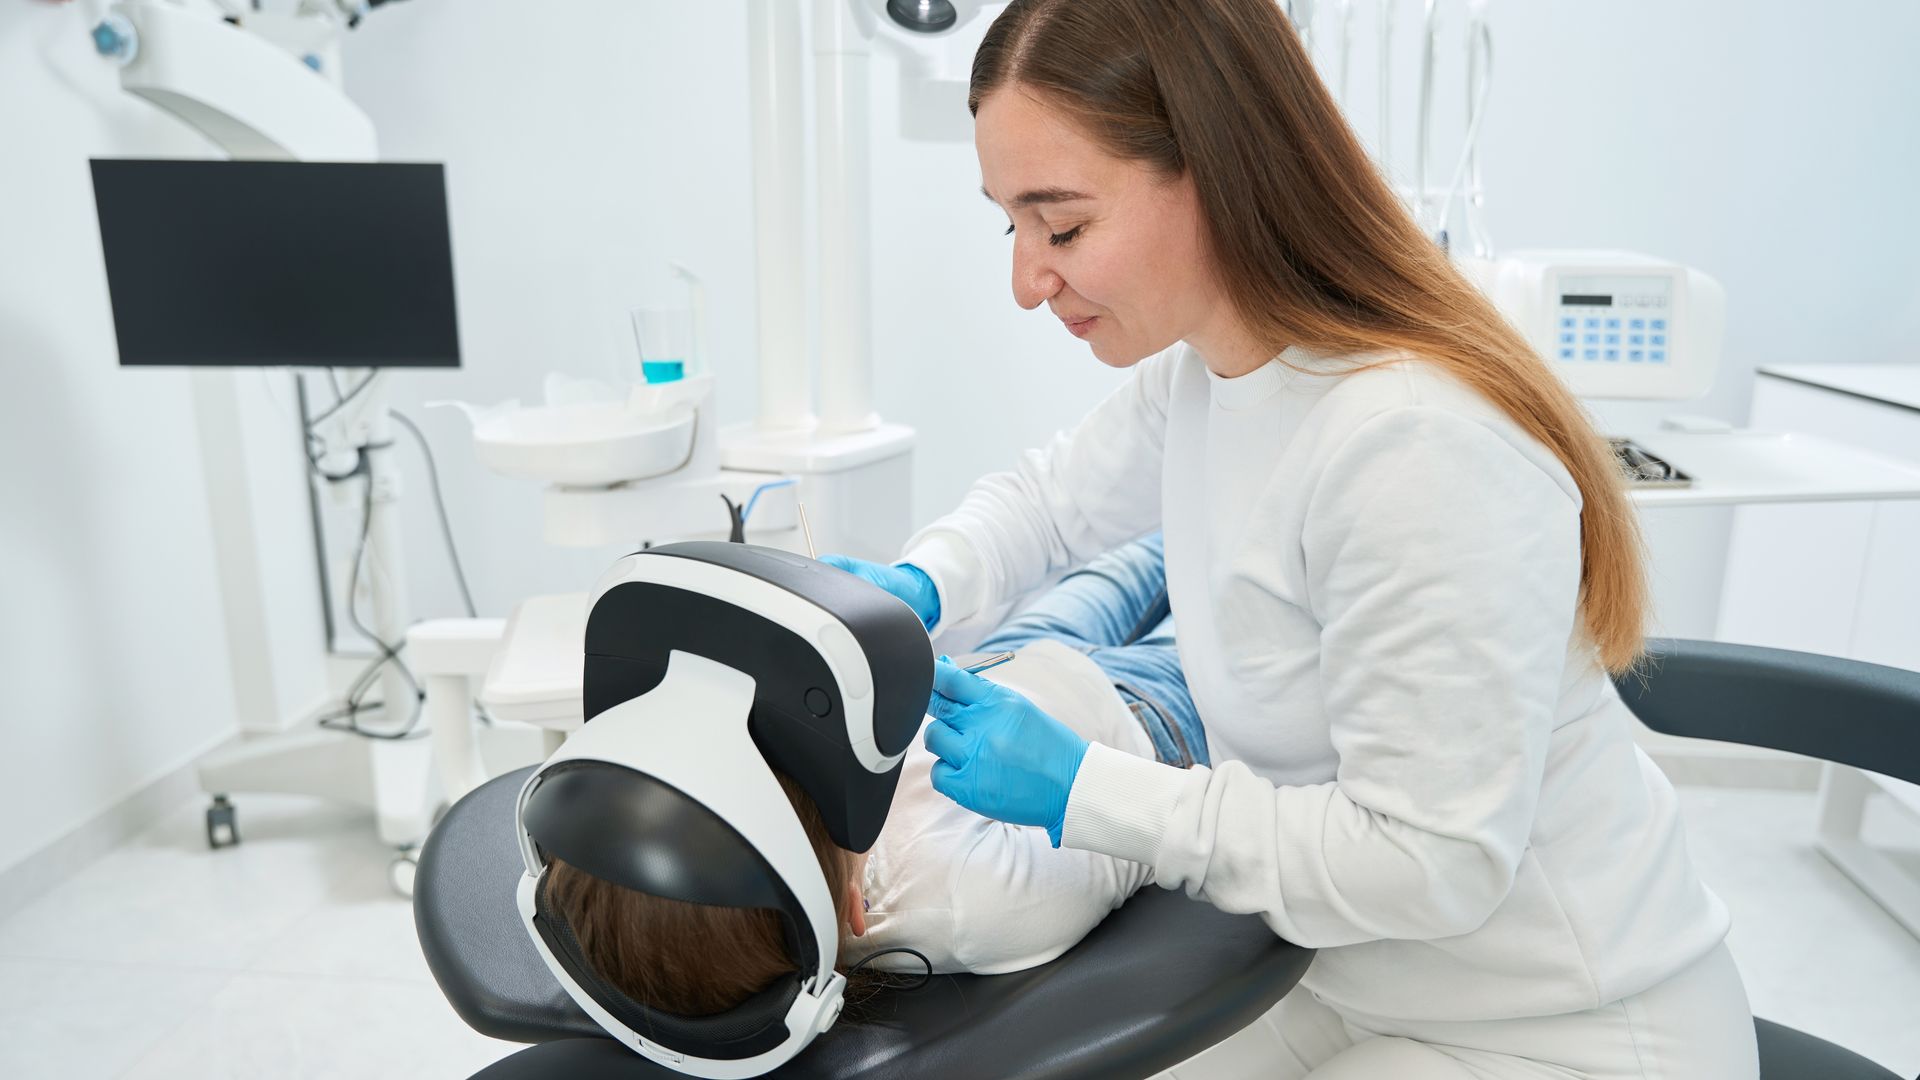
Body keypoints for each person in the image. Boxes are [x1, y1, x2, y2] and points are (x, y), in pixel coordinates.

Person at [819, 1, 1760, 1076]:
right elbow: (1047, 501)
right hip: (1345, 976)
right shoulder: (1210, 375)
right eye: (1011, 226)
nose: (1028, 281)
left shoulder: (1410, 445)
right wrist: (915, 587)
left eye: (1064, 225)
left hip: (1560, 1025)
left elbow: (1432, 863)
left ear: (1217, 171)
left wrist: (1089, 791)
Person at [546, 536, 1205, 1014]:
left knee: (1159, 541)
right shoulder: (967, 903)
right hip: (1144, 719)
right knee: (1211, 547)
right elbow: (1126, 845)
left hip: (1016, 650)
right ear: (853, 910)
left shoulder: (758, 803)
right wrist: (1070, 783)